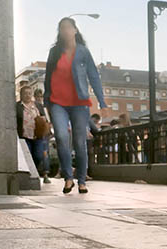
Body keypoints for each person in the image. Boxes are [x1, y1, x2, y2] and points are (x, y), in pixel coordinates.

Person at [44, 17, 107, 194]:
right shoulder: (54, 52)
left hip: (79, 102)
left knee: (80, 142)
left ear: (75, 30)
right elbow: (48, 77)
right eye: (62, 28)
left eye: (68, 27)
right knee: (62, 138)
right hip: (58, 102)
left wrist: (102, 101)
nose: (65, 31)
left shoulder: (83, 52)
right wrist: (47, 101)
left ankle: (81, 180)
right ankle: (68, 178)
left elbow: (94, 76)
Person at [15, 86, 50, 183]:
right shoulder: (17, 106)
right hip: (24, 136)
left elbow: (45, 118)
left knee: (38, 155)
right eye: (25, 93)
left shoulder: (38, 105)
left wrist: (44, 125)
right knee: (27, 156)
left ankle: (35, 169)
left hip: (37, 135)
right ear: (21, 95)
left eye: (29, 93)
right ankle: (31, 175)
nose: (27, 95)